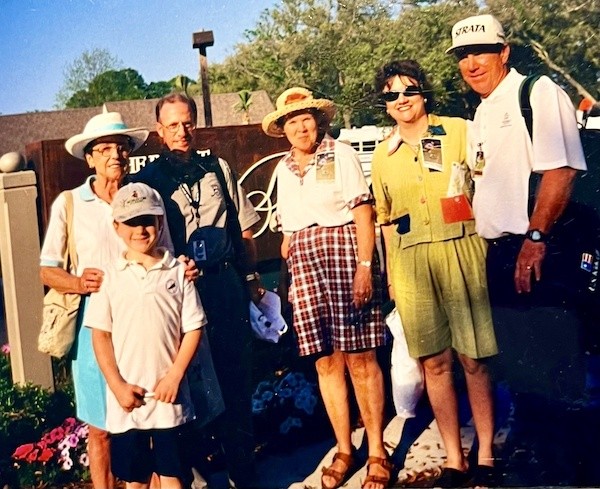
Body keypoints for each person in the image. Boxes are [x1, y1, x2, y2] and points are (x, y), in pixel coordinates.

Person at [447, 14, 588, 485]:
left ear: (504, 52)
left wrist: (535, 240)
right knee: (521, 367)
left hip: (542, 249)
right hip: (501, 254)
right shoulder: (482, 113)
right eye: (463, 56)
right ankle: (539, 458)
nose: (471, 63)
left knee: (555, 365)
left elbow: (561, 172)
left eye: (481, 52)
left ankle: (568, 469)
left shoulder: (539, 93)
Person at [370, 60, 498, 488]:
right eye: (392, 95)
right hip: (410, 264)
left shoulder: (459, 130)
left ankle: (484, 454)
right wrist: (390, 276)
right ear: (385, 105)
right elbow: (385, 220)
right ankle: (454, 460)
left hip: (462, 249)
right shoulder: (383, 158)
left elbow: (488, 185)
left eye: (409, 90)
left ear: (424, 93)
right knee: (434, 363)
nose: (401, 100)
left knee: (473, 358)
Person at [262, 87, 391, 489]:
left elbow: (363, 212)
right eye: (291, 121)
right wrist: (290, 275)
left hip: (343, 255)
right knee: (325, 361)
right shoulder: (283, 169)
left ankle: (376, 452)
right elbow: (288, 230)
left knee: (360, 359)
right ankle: (343, 449)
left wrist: (365, 268)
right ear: (283, 129)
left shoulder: (342, 155)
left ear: (319, 121)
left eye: (306, 118)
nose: (300, 127)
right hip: (304, 263)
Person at [132, 93, 260, 488]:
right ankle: (193, 475)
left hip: (224, 284)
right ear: (160, 130)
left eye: (186, 123)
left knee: (235, 379)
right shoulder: (148, 182)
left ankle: (242, 470)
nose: (181, 132)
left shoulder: (217, 168)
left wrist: (250, 278)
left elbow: (244, 230)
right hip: (181, 290)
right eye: (172, 125)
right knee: (188, 383)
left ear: (195, 123)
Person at [39, 110, 152, 489]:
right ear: (89, 158)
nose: (114, 157)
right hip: (92, 330)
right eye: (103, 149)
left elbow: (162, 251)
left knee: (146, 417)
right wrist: (76, 281)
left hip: (140, 322)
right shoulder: (70, 203)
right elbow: (46, 270)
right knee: (101, 426)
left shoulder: (141, 198)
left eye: (120, 148)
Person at [86, 182, 204, 489]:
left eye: (147, 221)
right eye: (130, 222)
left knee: (173, 477)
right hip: (128, 401)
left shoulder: (178, 273)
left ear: (160, 222)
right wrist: (117, 385)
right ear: (116, 226)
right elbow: (100, 336)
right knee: (135, 480)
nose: (139, 230)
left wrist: (175, 376)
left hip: (169, 398)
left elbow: (193, 328)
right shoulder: (109, 277)